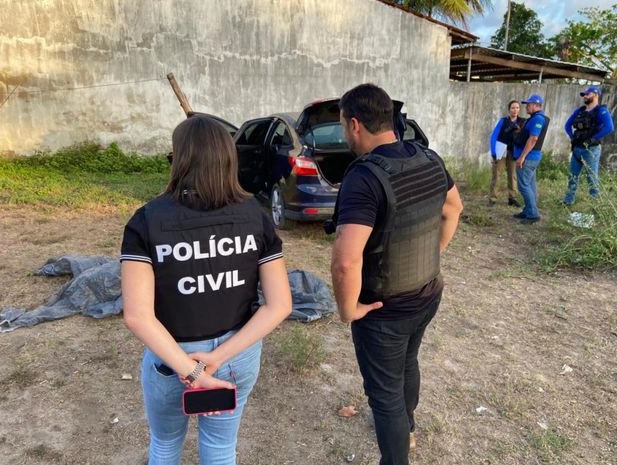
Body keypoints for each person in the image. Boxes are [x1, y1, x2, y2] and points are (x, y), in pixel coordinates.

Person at [120, 115, 292, 465]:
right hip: (236, 354)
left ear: (179, 159)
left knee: (165, 445)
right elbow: (279, 305)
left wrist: (192, 370)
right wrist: (216, 359)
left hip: (172, 358)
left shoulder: (147, 220)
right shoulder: (255, 215)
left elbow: (138, 316)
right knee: (221, 449)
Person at [330, 83, 463, 465]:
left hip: (383, 310)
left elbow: (346, 261)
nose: (344, 133)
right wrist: (431, 254)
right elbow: (453, 208)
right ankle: (409, 429)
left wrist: (348, 310)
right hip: (428, 293)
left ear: (355, 124)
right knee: (407, 363)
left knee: (385, 394)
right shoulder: (429, 158)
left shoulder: (364, 176)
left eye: (343, 124)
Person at [563, 85, 615, 205]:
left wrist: (594, 139)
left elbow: (609, 127)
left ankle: (595, 205)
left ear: (595, 95)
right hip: (577, 148)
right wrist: (572, 137)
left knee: (591, 177)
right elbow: (567, 125)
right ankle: (568, 201)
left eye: (587, 94)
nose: (585, 96)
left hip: (591, 150)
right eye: (584, 95)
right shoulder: (580, 111)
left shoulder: (601, 111)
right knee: (572, 177)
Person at [512, 94, 550, 225]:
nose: (526, 107)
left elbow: (533, 138)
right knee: (530, 185)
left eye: (528, 104)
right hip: (531, 157)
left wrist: (522, 157)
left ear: (536, 105)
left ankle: (533, 214)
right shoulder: (534, 118)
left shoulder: (538, 119)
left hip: (528, 158)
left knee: (523, 186)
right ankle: (528, 210)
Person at [488, 100, 525, 207]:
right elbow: (494, 135)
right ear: (509, 109)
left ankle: (512, 198)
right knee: (497, 174)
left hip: (514, 152)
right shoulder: (503, 121)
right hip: (501, 151)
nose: (515, 110)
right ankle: (493, 198)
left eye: (517, 108)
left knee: (513, 175)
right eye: (513, 108)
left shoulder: (522, 122)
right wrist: (493, 152)